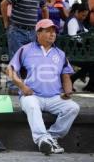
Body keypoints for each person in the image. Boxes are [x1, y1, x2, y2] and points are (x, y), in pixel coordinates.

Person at [6, 19, 80, 155]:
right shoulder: (25, 50)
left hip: (55, 97)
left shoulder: (60, 54)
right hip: (32, 96)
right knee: (32, 105)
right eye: (48, 31)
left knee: (73, 107)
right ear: (38, 33)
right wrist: (22, 87)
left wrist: (68, 91)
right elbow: (10, 70)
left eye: (54, 32)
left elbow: (66, 77)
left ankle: (50, 137)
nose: (52, 34)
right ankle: (42, 139)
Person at [1, 0, 48, 94]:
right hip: (17, 30)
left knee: (30, 58)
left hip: (32, 32)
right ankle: (12, 86)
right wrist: (6, 23)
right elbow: (4, 4)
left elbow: (44, 8)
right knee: (15, 58)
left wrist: (45, 25)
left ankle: (28, 84)